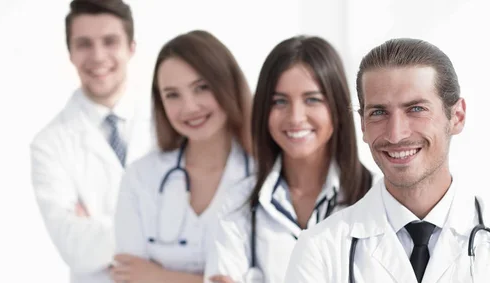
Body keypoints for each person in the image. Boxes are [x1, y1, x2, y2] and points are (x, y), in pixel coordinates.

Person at [283, 38, 490, 283]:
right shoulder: (319, 250)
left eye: (416, 109)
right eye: (379, 112)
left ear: (457, 116)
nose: (396, 134)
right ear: (363, 125)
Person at [204, 35, 374, 283]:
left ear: (337, 108)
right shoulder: (238, 203)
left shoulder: (375, 197)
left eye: (312, 99)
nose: (295, 117)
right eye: (280, 101)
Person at [111, 30, 254, 283]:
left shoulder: (263, 176)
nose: (189, 107)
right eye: (172, 94)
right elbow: (128, 275)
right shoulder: (140, 177)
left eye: (201, 88)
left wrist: (158, 276)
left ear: (228, 85)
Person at [30, 1, 153, 282]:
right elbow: (75, 248)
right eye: (84, 44)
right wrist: (157, 223)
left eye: (110, 41)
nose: (98, 56)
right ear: (70, 53)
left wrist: (97, 229)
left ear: (131, 47)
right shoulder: (49, 144)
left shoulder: (168, 121)